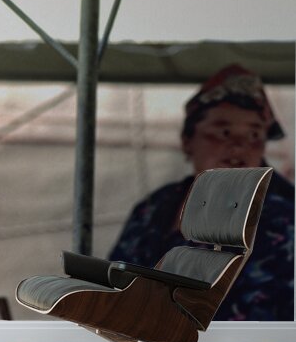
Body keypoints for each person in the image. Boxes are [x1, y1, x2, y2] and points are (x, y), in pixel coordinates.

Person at [109, 64, 294, 321]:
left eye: (254, 133)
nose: (239, 146)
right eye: (224, 131)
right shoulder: (155, 206)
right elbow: (113, 281)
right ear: (188, 141)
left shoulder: (282, 219)